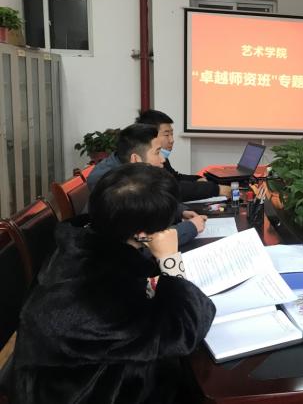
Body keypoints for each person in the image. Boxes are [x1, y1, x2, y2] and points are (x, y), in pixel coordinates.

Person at [11, 164, 216, 404]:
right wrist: (170, 260)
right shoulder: (101, 295)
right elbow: (187, 329)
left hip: (62, 371)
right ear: (142, 234)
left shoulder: (79, 243)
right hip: (83, 392)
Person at [86, 123, 206, 245]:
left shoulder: (130, 171)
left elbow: (151, 203)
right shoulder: (115, 185)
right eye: (157, 152)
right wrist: (190, 228)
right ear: (136, 159)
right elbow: (142, 241)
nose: (163, 159)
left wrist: (180, 212)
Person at [135, 109, 231, 201]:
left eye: (172, 134)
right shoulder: (144, 163)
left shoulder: (160, 158)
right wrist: (215, 189)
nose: (172, 140)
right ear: (151, 136)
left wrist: (198, 180)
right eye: (166, 135)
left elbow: (175, 178)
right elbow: (172, 189)